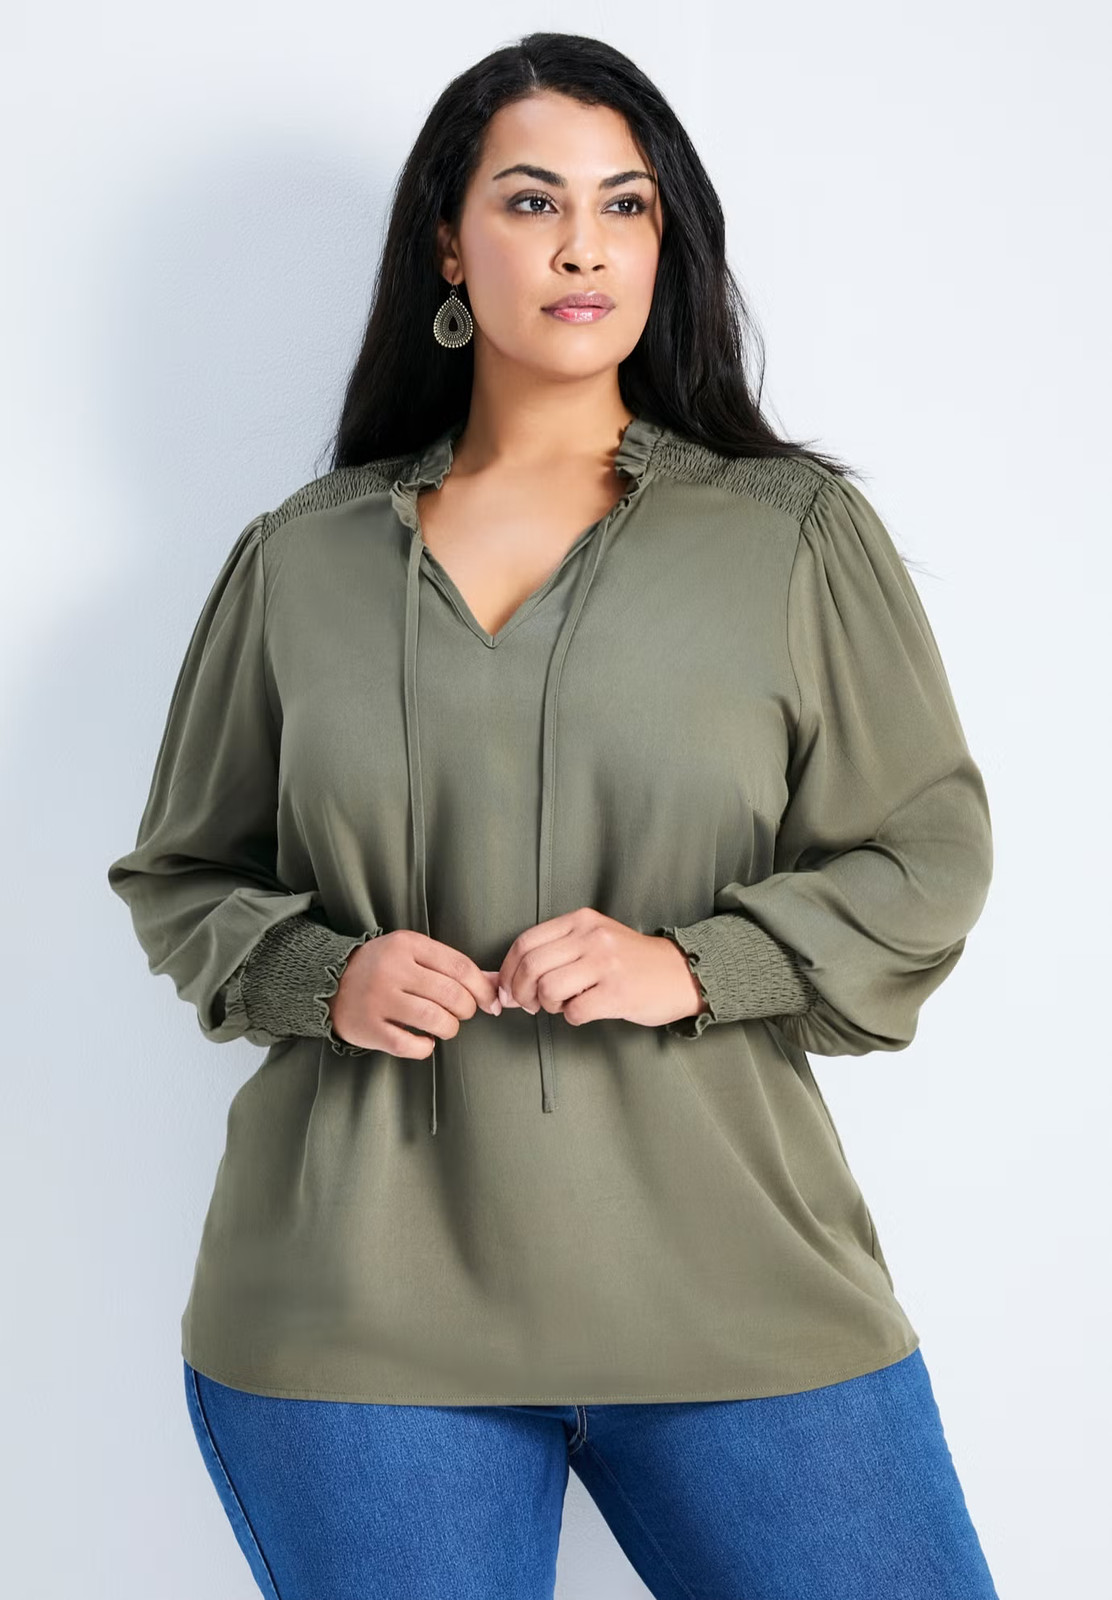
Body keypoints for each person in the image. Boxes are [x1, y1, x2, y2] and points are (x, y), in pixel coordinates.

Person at [108, 30, 1001, 1600]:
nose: (584, 245)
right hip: (354, 1325)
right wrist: (328, 974)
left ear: (667, 240)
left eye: (625, 204)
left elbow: (925, 851)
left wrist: (696, 962)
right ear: (450, 245)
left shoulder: (792, 536)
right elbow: (183, 873)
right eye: (532, 202)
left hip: (741, 1287)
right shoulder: (299, 561)